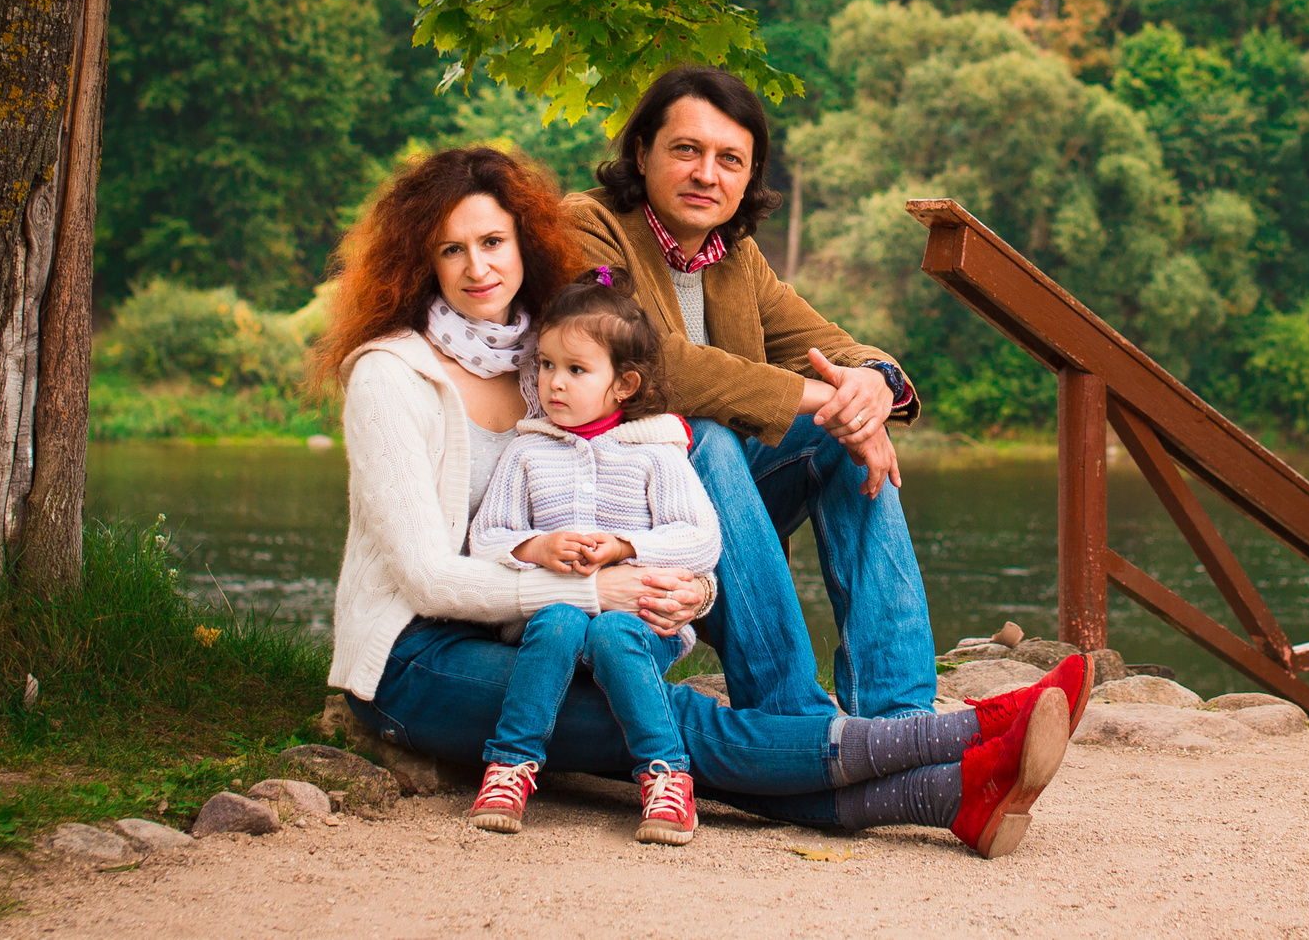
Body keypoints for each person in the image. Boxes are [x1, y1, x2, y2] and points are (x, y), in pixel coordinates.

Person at [310, 144, 1087, 857]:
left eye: (492, 242)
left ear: (524, 246)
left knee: (659, 731)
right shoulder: (393, 375)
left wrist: (684, 584)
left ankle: (955, 798)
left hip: (547, 633)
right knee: (675, 723)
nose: (478, 265)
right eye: (452, 248)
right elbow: (426, 577)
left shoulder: (547, 363)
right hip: (418, 662)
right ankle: (974, 732)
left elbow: (636, 510)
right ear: (423, 262)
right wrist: (593, 586)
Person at [563, 67, 931, 720]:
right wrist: (820, 397)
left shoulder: (734, 256)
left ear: (750, 176)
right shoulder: (587, 226)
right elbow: (645, 365)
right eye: (687, 150)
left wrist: (874, 383)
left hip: (721, 505)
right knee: (699, 433)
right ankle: (794, 719)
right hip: (617, 510)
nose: (708, 173)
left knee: (842, 435)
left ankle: (898, 717)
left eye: (730, 159)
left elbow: (832, 344)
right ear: (643, 150)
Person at [464, 267, 720, 844]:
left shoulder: (655, 452)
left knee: (612, 637)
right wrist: (536, 546)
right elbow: (486, 538)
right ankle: (509, 767)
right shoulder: (529, 450)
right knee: (557, 623)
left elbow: (703, 539)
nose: (555, 383)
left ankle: (666, 775)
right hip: (547, 613)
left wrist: (630, 546)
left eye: (577, 370)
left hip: (637, 624)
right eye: (548, 365)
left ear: (623, 385)